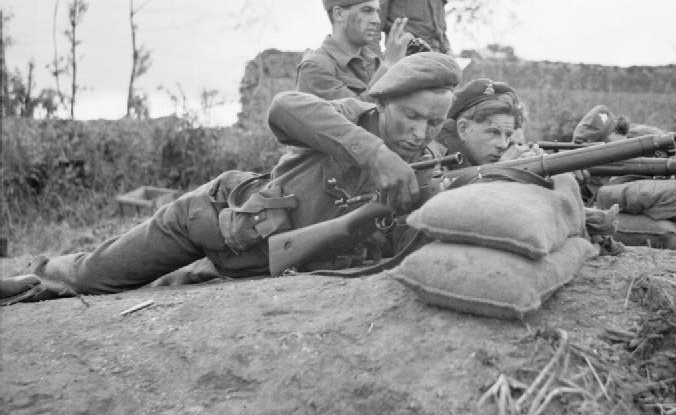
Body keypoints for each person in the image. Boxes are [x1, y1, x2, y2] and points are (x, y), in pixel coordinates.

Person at [3, 52, 461, 302]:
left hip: (259, 261)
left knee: (172, 288)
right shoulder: (346, 116)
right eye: (410, 116)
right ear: (382, 104)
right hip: (211, 219)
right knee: (96, 278)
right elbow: (284, 107)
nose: (419, 133)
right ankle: (38, 272)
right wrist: (374, 152)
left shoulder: (426, 164)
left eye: (434, 123)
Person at [296, 0, 414, 100]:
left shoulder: (373, 62)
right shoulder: (315, 68)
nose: (376, 20)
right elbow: (358, 115)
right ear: (339, 14)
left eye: (377, 12)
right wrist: (389, 66)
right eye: (367, 11)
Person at [427, 78, 534, 167]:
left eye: (508, 135)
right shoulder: (431, 160)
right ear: (463, 129)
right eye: (493, 132)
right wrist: (500, 173)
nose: (503, 145)